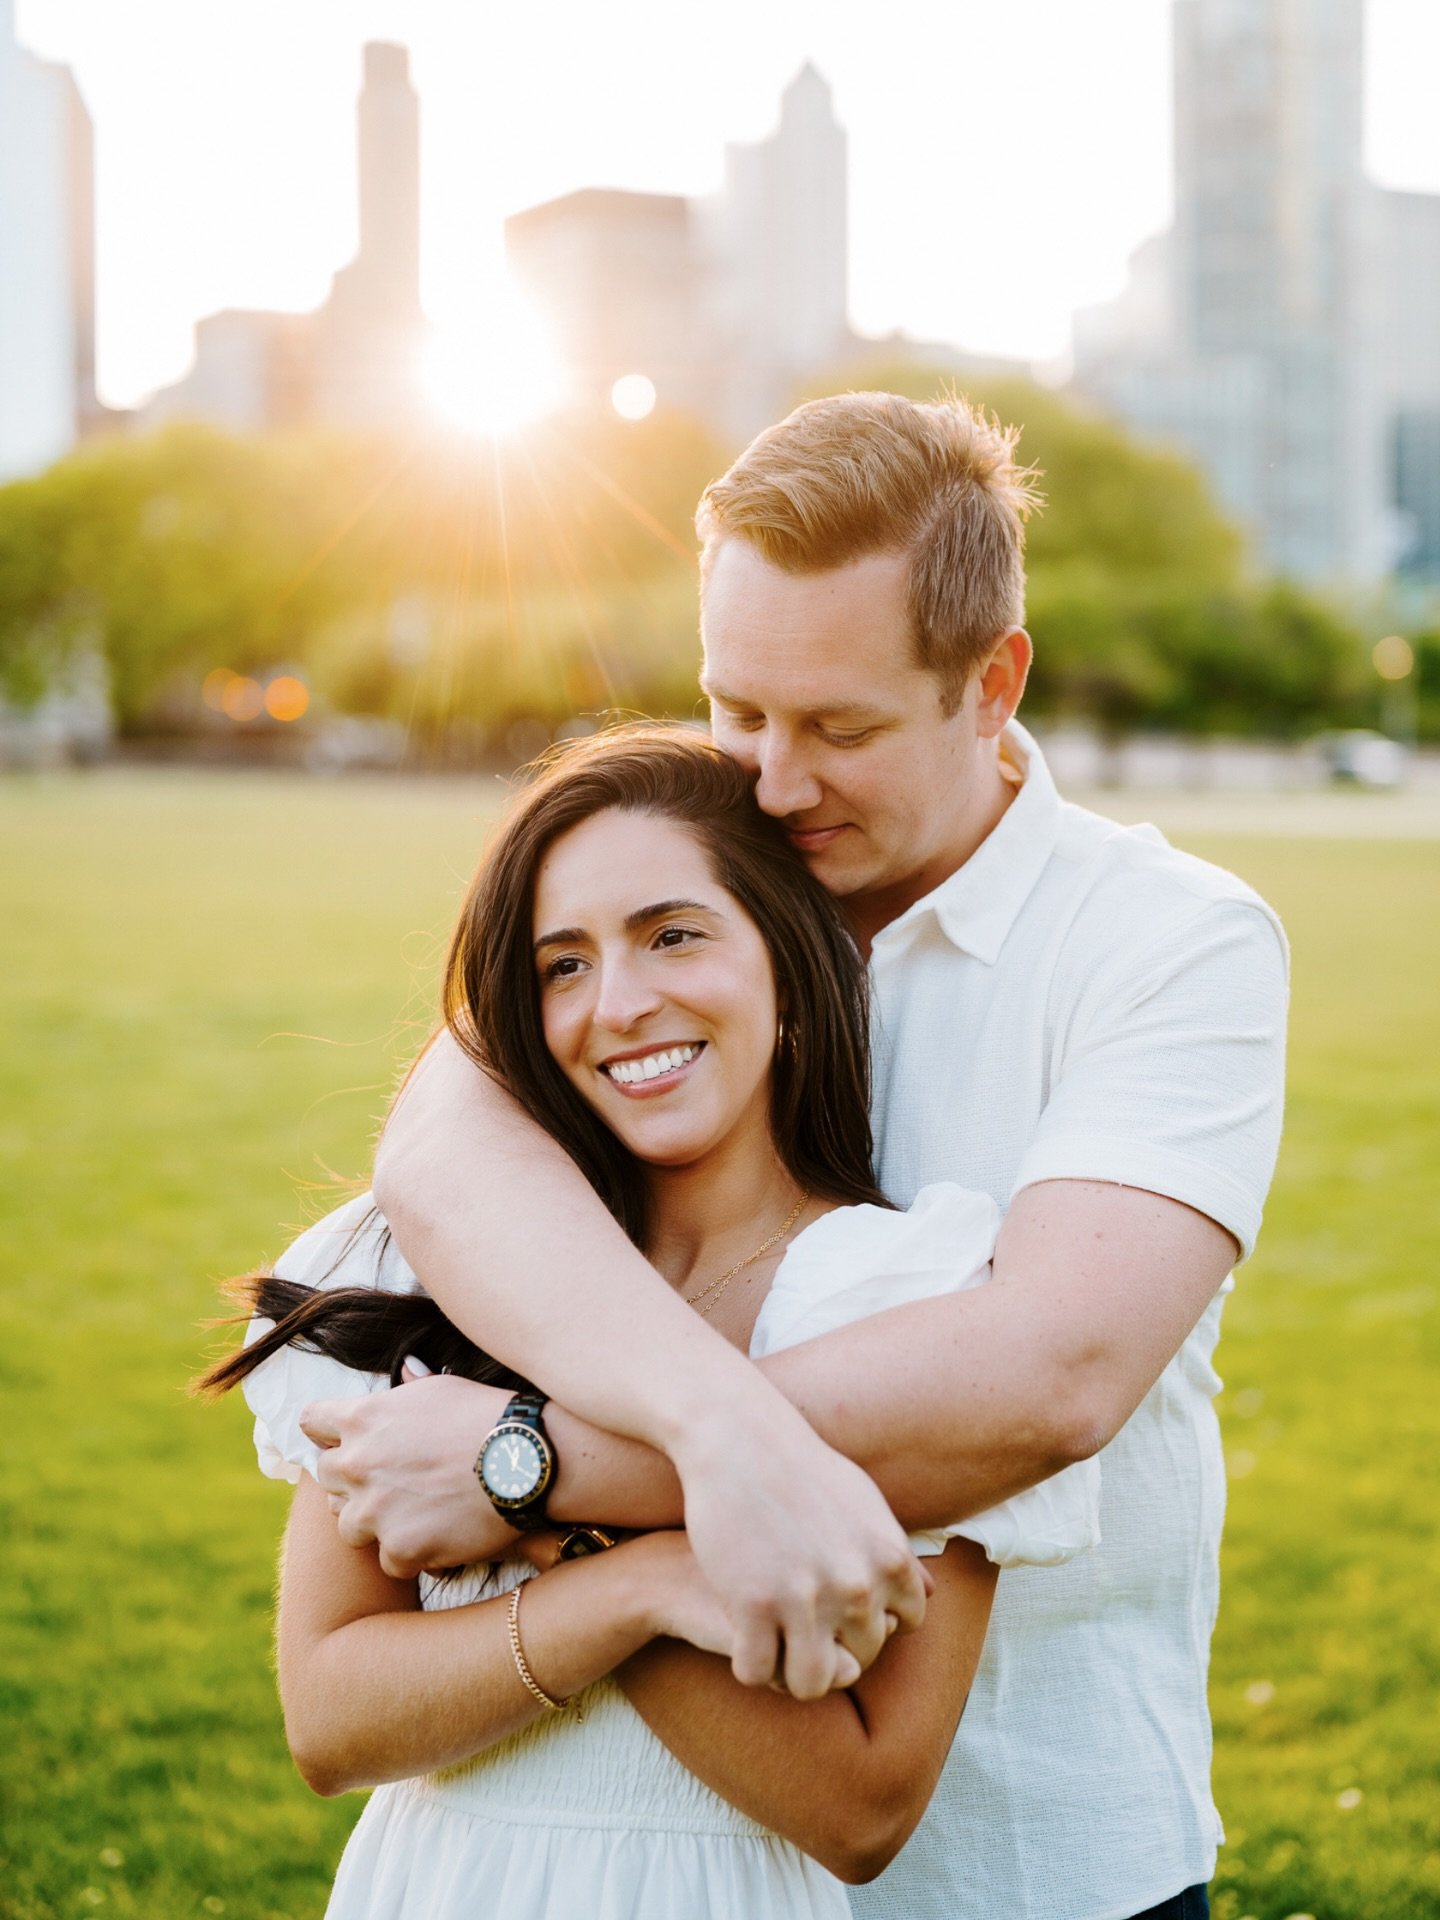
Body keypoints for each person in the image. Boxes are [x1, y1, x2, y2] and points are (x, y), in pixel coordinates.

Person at [304, 393, 1289, 1920]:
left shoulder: (1167, 943)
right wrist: (717, 1438)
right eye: (734, 709)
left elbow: (1055, 1374)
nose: (769, 781)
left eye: (838, 728)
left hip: (1039, 1857)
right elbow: (443, 1146)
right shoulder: (703, 894)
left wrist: (533, 1470)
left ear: (991, 682)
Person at [202, 726, 1098, 1919]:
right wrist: (647, 1585)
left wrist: (522, 1497)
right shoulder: (422, 1268)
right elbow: (330, 1722)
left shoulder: (913, 1295)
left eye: (674, 934)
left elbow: (864, 1803)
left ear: (785, 956)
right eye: (561, 965)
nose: (618, 1006)